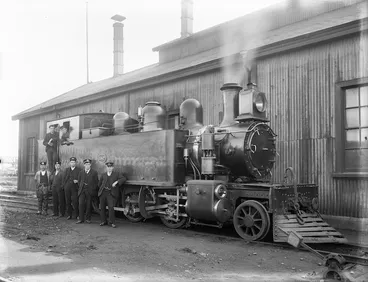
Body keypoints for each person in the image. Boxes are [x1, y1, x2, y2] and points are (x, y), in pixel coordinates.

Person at [98, 161, 126, 228]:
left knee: (111, 207)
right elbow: (99, 184)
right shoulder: (103, 175)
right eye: (108, 167)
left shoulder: (116, 174)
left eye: (110, 167)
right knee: (102, 207)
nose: (109, 168)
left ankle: (111, 222)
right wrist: (101, 190)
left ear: (112, 168)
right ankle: (103, 221)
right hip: (103, 192)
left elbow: (123, 178)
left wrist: (116, 182)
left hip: (110, 193)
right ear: (106, 167)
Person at [76, 159, 98, 224]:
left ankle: (88, 219)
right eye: (86, 164)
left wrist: (92, 189)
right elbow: (79, 181)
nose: (87, 165)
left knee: (88, 205)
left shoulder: (94, 172)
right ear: (84, 165)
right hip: (82, 190)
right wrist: (81, 187)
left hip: (89, 191)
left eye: (88, 164)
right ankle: (81, 219)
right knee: (81, 204)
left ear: (90, 165)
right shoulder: (81, 172)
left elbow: (96, 182)